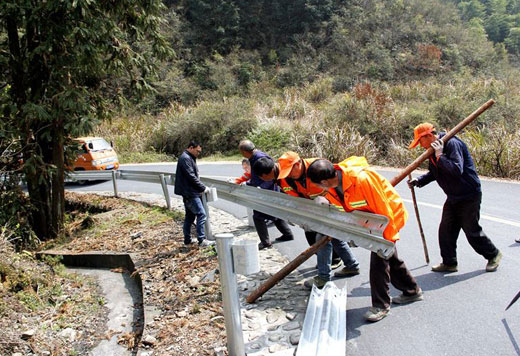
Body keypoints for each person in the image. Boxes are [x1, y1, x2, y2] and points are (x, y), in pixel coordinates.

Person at [308, 157, 423, 322]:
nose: (318, 188)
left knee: (379, 260)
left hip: (389, 219)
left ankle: (381, 306)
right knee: (390, 257)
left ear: (325, 181)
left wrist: (386, 239)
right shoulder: (333, 186)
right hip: (372, 223)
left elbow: (383, 210)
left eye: (319, 185)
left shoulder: (361, 180)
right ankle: (412, 290)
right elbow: (346, 209)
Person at [252, 153, 359, 288]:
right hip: (316, 210)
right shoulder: (286, 177)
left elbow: (335, 187)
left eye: (291, 171)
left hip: (333, 207)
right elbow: (296, 197)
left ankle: (323, 277)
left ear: (298, 164)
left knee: (322, 239)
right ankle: (352, 265)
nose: (289, 174)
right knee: (334, 237)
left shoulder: (317, 167)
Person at [408, 123, 502, 272]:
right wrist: (419, 181)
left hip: (469, 194)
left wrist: (440, 155)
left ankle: (494, 254)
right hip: (453, 196)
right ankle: (449, 263)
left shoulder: (451, 144)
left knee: (471, 231)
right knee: (446, 230)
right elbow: (434, 172)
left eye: (420, 141)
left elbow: (456, 170)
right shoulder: (433, 150)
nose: (420, 146)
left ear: (428, 136)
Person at [238, 140, 294, 249]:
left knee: (258, 217)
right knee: (275, 212)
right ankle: (287, 234)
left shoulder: (259, 158)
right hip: (264, 190)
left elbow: (271, 176)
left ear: (244, 152)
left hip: (266, 190)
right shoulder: (255, 156)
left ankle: (265, 242)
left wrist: (261, 187)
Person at [174, 141, 215, 247]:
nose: (198, 153)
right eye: (197, 151)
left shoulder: (188, 157)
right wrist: (202, 187)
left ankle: (187, 240)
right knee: (201, 214)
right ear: (191, 148)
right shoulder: (185, 158)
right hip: (190, 193)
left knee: (190, 217)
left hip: (189, 191)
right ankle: (201, 240)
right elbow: (191, 176)